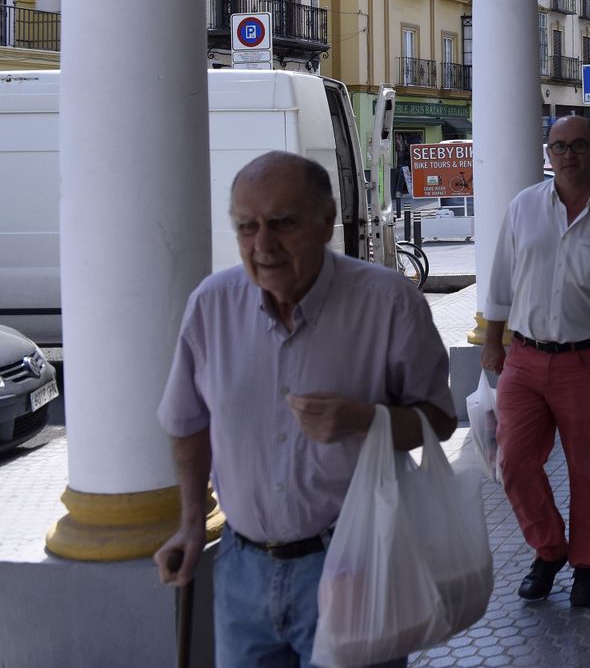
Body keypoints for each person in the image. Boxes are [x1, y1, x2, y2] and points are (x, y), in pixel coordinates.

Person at [156, 152, 454, 668]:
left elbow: (441, 421)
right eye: (246, 227)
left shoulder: (388, 303)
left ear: (327, 221)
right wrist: (188, 523)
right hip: (242, 571)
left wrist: (366, 419)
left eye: (282, 223)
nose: (262, 245)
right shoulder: (211, 306)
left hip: (355, 565)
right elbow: (187, 423)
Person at [481, 115, 590, 609]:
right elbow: (500, 276)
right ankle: (549, 547)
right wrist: (494, 339)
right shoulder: (524, 207)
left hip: (586, 359)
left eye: (579, 145)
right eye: (560, 146)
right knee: (512, 461)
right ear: (548, 152)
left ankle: (586, 564)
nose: (569, 155)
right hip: (525, 358)